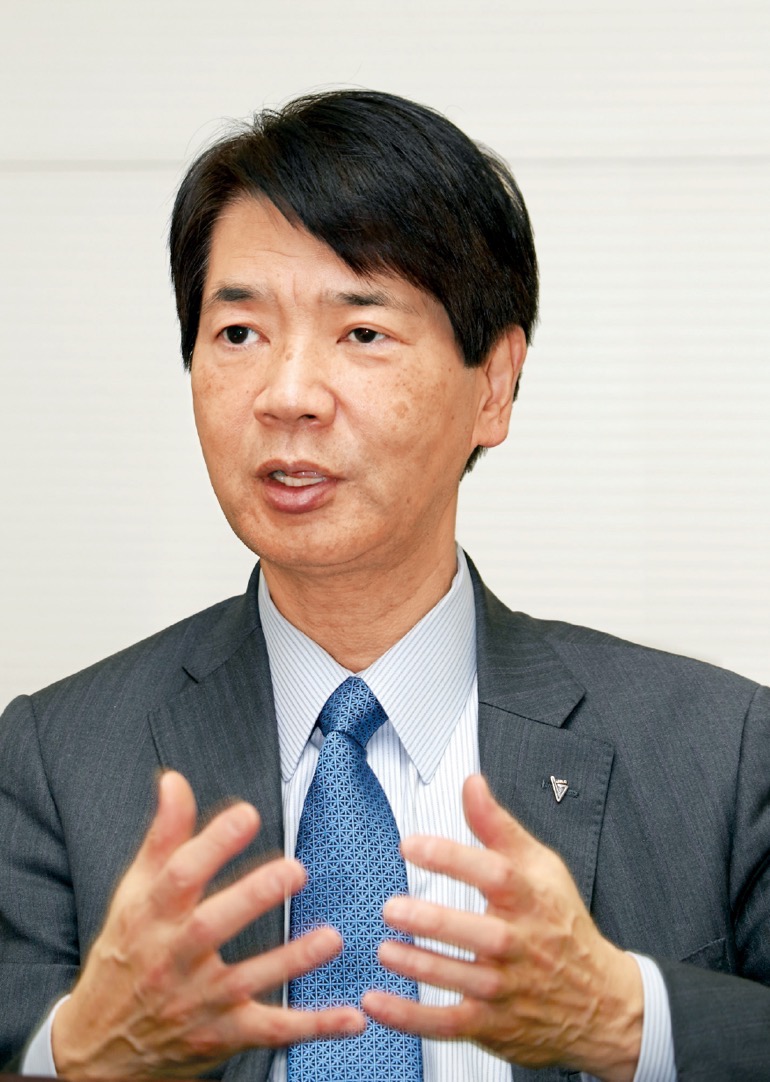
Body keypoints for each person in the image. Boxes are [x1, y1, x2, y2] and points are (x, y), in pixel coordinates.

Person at [0, 89, 768, 1082]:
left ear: (493, 385)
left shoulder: (720, 752)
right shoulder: (54, 762)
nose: (285, 395)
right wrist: (76, 1056)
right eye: (238, 333)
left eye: (361, 332)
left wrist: (628, 1020)